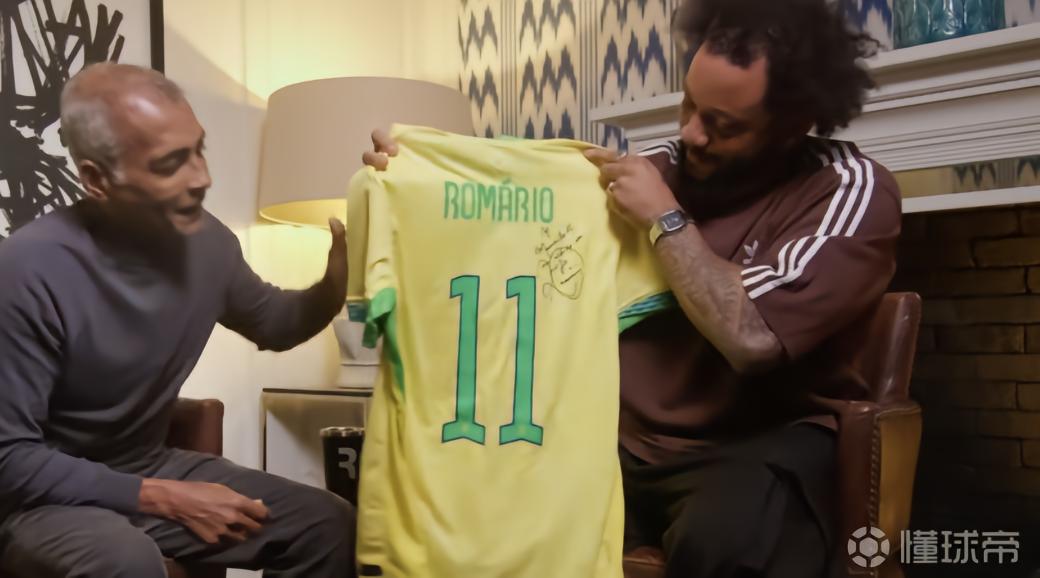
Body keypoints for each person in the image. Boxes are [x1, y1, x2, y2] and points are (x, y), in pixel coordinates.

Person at [364, 0, 899, 575]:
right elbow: (506, 227)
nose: (691, 133)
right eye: (689, 104)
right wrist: (418, 181)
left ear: (793, 126)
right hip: (617, 441)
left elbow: (753, 338)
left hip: (753, 447)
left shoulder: (847, 190)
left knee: (724, 536)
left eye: (723, 125)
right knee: (479, 505)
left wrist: (666, 221)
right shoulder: (646, 171)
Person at [0, 63, 356, 578]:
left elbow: (277, 324)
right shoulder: (27, 268)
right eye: (170, 164)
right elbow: (10, 458)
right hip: (39, 498)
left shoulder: (208, 244)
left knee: (326, 524)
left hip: (143, 465)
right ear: (97, 180)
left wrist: (333, 283)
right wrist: (166, 497)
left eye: (198, 150)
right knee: (124, 559)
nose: (202, 178)